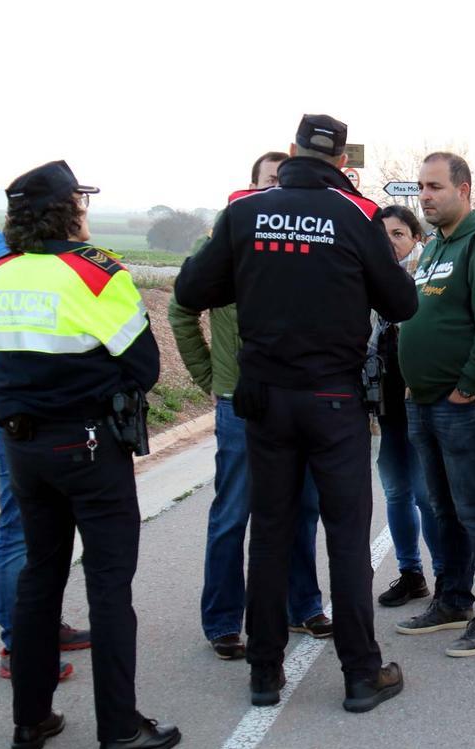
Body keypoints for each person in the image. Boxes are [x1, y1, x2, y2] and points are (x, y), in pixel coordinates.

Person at [174, 114, 417, 713]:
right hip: (332, 400)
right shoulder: (358, 213)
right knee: (346, 538)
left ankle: (264, 673)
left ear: (290, 152)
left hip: (264, 396)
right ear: (341, 162)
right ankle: (361, 675)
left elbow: (190, 291)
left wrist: (259, 276)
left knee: (272, 532)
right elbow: (402, 301)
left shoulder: (247, 211)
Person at [0, 160, 179, 749]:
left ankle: (30, 720)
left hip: (23, 448)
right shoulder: (95, 274)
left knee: (41, 578)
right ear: (70, 209)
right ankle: (120, 731)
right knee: (108, 588)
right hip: (88, 446)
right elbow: (144, 364)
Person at [169, 151, 332, 662]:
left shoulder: (302, 240)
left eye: (282, 182)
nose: (276, 190)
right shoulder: (224, 240)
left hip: (297, 397)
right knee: (233, 513)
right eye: (268, 181)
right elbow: (180, 309)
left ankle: (301, 604)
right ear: (252, 186)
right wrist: (209, 376)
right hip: (240, 401)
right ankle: (222, 620)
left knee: (302, 509)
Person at [395, 151, 475, 657]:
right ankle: (452, 600)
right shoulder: (436, 247)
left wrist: (466, 386)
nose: (424, 196)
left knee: (473, 510)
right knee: (442, 508)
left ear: (463, 190)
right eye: (421, 187)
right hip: (423, 401)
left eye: (435, 187)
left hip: (463, 404)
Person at [0, 231, 90, 682]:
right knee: (18, 527)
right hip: (18, 415)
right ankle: (19, 645)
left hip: (22, 411)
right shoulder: (2, 273)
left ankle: (40, 630)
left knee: (40, 528)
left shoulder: (4, 268)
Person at [372, 205, 444, 607]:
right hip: (385, 407)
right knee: (396, 492)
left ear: (416, 238)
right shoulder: (368, 281)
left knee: (424, 494)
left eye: (398, 233)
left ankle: (446, 578)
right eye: (382, 234)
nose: (390, 242)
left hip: (421, 403)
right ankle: (410, 573)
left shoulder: (429, 280)